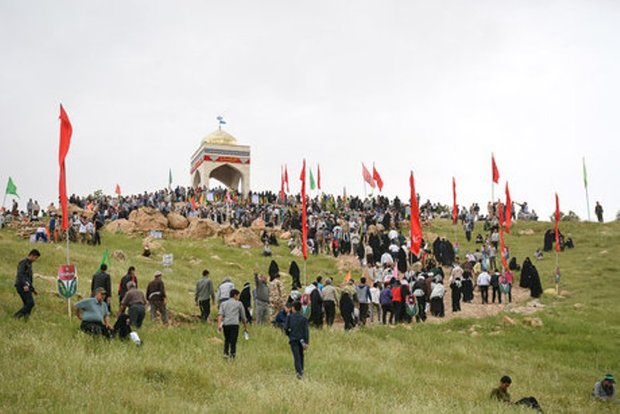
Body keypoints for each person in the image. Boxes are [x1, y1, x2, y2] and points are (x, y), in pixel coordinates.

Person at [217, 289, 248, 359]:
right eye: (238, 296)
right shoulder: (239, 304)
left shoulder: (223, 304)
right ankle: (232, 354)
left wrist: (219, 325)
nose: (239, 297)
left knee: (227, 339)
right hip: (234, 324)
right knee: (233, 340)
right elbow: (243, 317)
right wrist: (245, 327)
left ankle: (225, 353)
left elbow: (220, 315)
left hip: (226, 324)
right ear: (235, 295)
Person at [284, 301, 310, 379]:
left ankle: (299, 373)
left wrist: (289, 334)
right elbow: (306, 331)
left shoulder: (290, 317)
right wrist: (307, 342)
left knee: (296, 357)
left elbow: (285, 328)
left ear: (293, 308)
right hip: (302, 340)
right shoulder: (304, 318)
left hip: (293, 339)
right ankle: (301, 370)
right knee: (301, 355)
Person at [13, 249, 41, 319]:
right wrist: (25, 285)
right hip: (21, 286)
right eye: (36, 257)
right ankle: (16, 316)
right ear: (32, 255)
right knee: (30, 303)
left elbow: (28, 279)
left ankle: (26, 319)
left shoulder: (29, 264)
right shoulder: (23, 262)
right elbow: (20, 274)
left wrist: (33, 289)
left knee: (27, 304)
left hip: (26, 286)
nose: (36, 260)